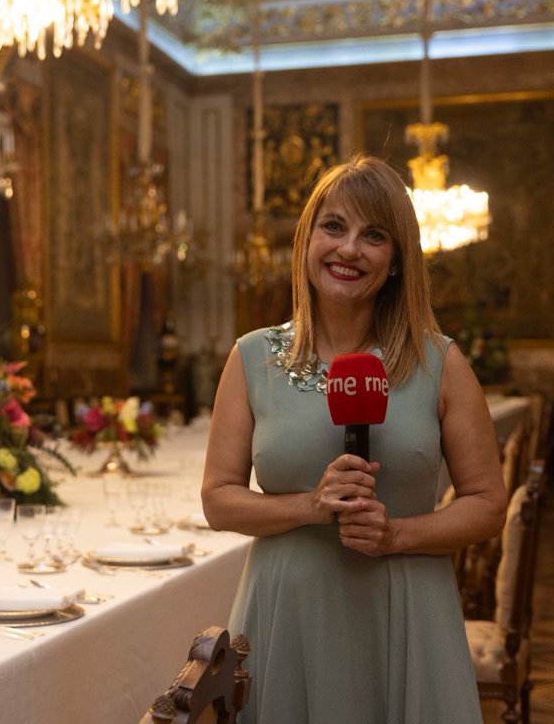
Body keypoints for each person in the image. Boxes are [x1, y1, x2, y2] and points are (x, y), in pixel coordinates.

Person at [201, 154, 506, 723]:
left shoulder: (440, 362)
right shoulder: (252, 357)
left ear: (396, 261)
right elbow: (218, 500)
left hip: (405, 607)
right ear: (307, 241)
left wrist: (396, 535)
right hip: (288, 612)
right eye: (334, 227)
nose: (349, 249)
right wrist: (310, 506)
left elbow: (488, 504)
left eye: (374, 236)